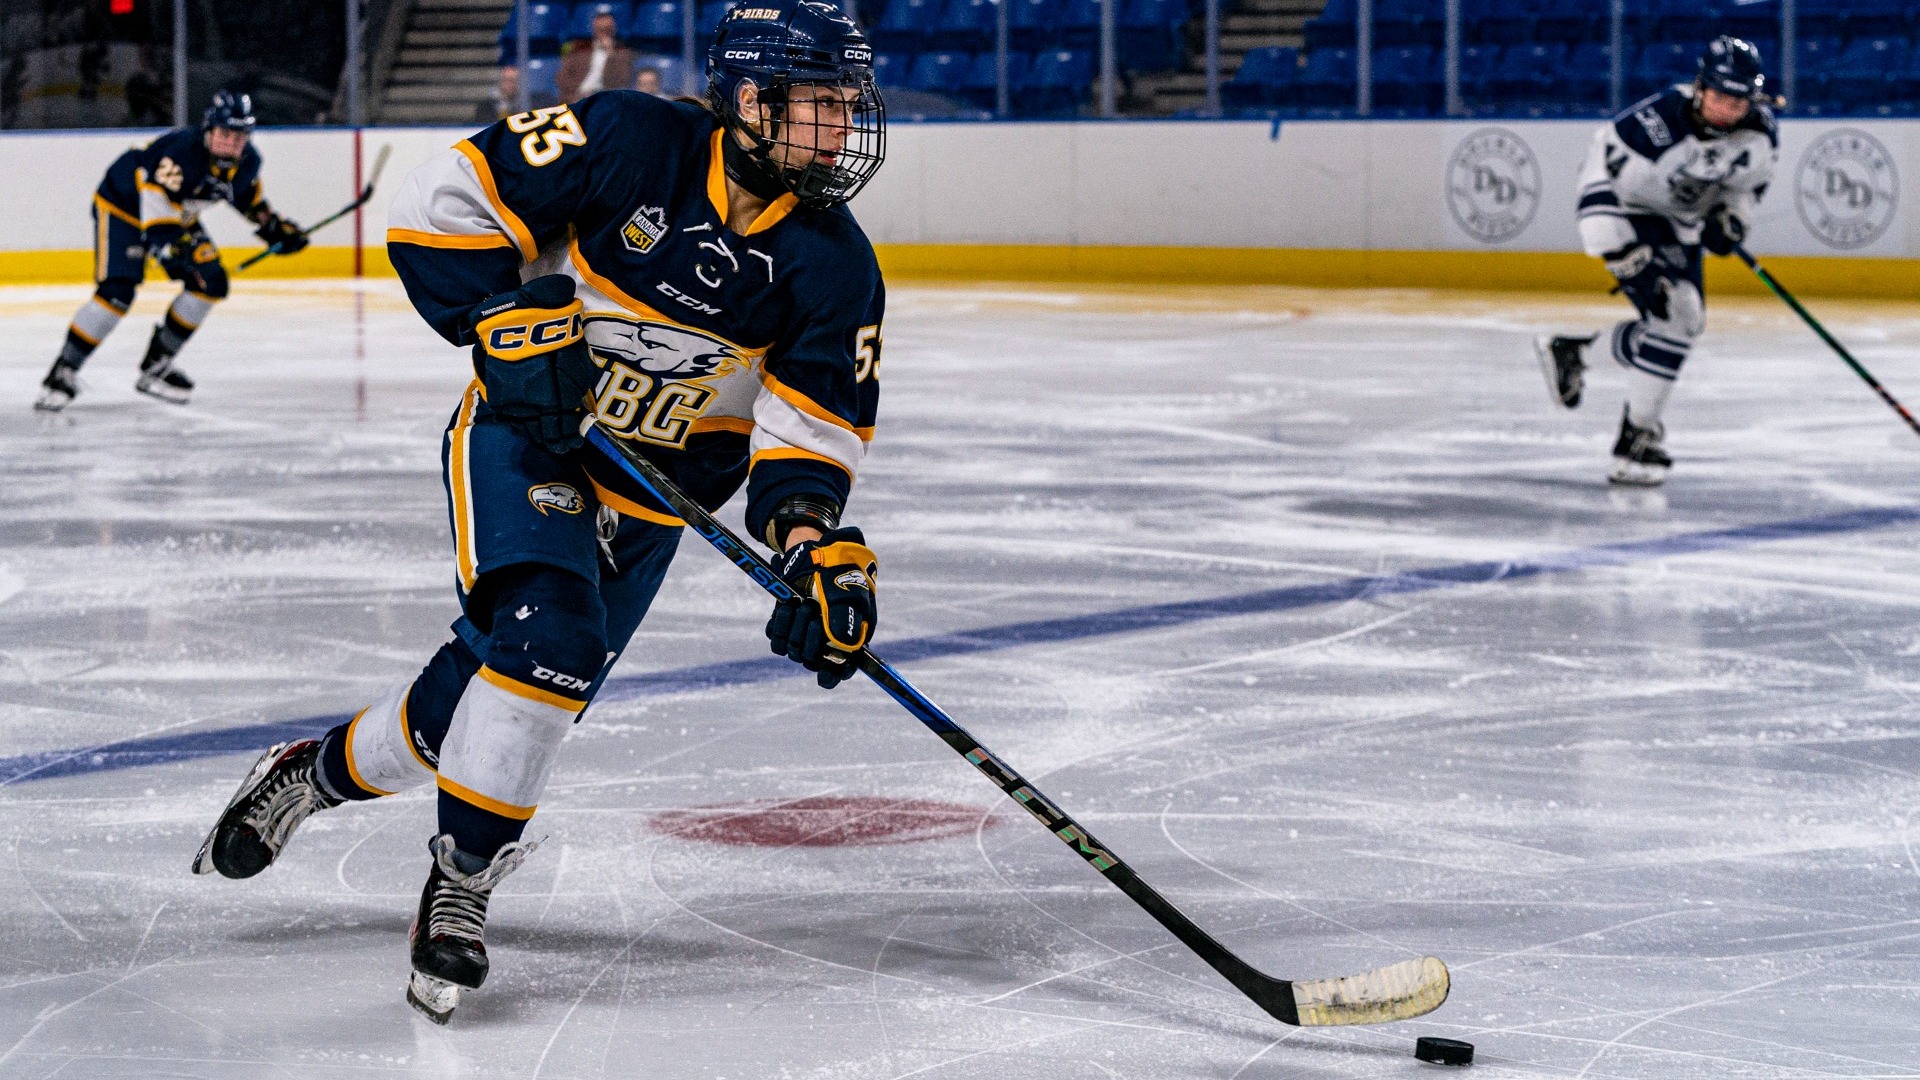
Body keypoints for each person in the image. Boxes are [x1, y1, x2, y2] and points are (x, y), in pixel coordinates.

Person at [192, 0, 887, 1025]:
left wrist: (813, 545)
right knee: (549, 645)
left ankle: (311, 775)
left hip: (655, 503)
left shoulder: (836, 266)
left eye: (847, 105)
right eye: (821, 103)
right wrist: (500, 317)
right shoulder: (628, 138)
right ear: (748, 99)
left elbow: (809, 435)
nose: (842, 129)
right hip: (528, 441)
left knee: (488, 698)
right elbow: (447, 200)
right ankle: (462, 882)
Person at [1535, 36, 1777, 486]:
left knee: (1682, 322)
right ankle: (1636, 438)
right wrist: (1623, 257)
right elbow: (1597, 183)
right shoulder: (1651, 126)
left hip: (1678, 221)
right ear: (1700, 88)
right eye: (1721, 97)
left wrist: (1731, 222)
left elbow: (1744, 190)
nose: (1729, 109)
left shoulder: (1759, 134)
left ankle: (1575, 353)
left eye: (1739, 100)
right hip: (1626, 213)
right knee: (1676, 315)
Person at [35, 91, 307, 411]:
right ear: (209, 130)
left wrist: (274, 228)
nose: (231, 143)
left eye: (239, 136)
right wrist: (183, 250)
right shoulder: (179, 155)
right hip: (124, 206)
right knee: (117, 292)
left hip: (173, 215)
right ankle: (63, 371)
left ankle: (157, 365)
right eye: (225, 134)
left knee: (211, 283)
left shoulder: (248, 161)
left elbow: (246, 198)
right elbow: (158, 221)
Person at [557, 7, 637, 103]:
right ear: (594, 30)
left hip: (604, 100)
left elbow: (621, 82)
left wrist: (611, 54)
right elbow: (562, 78)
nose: (604, 34)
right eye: (601, 30)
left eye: (607, 29)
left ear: (613, 30)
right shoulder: (580, 51)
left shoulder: (623, 54)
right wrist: (579, 92)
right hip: (577, 97)